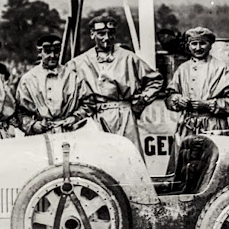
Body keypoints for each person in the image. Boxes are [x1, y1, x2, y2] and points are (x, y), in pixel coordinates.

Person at [68, 14, 163, 158]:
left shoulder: (128, 57)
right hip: (94, 117)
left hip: (123, 115)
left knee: (128, 157)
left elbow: (155, 80)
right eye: (101, 34)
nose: (106, 38)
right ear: (92, 34)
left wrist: (142, 100)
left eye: (110, 34)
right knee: (98, 159)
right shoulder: (79, 63)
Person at [165, 26, 229, 172]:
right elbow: (169, 96)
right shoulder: (183, 69)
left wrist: (209, 105)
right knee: (185, 169)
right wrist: (176, 99)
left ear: (210, 45)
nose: (198, 48)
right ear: (188, 45)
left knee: (212, 169)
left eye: (202, 43)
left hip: (213, 125)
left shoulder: (221, 68)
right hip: (187, 126)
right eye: (194, 43)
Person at [17, 35, 93, 135]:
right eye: (48, 52)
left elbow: (88, 103)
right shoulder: (28, 79)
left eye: (56, 51)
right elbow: (20, 111)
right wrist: (32, 125)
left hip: (68, 132)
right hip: (40, 135)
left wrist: (75, 117)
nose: (52, 56)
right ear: (40, 52)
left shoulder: (72, 76)